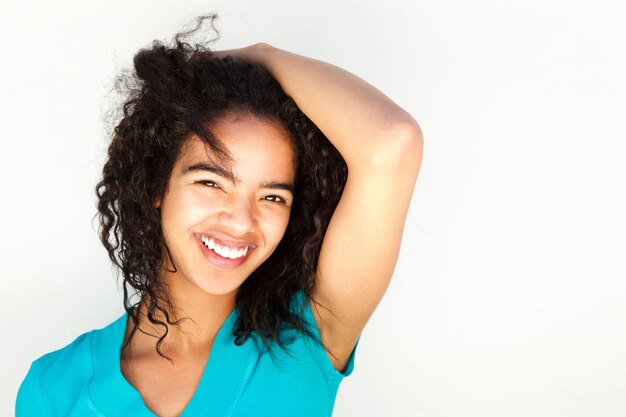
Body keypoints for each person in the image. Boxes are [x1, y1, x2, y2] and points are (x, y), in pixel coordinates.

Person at [16, 15, 423, 417]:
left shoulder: (311, 334)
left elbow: (392, 143)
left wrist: (261, 55)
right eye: (211, 183)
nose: (242, 221)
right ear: (157, 185)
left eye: (272, 197)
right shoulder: (53, 389)